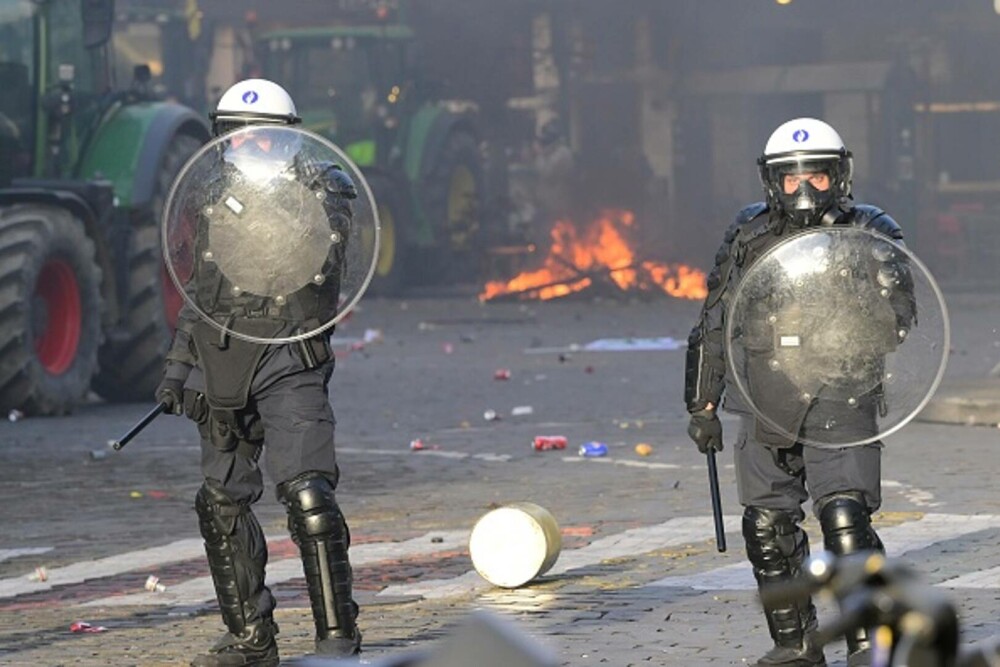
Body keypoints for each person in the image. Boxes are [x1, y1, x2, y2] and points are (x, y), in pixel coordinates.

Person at [684, 118, 914, 667]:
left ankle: (867, 644)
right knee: (766, 527)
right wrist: (702, 401)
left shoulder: (869, 228)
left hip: (841, 394)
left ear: (840, 175)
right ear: (772, 182)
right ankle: (796, 645)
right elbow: (716, 319)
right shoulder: (749, 234)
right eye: (791, 179)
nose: (804, 188)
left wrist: (856, 279)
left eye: (817, 175)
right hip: (765, 397)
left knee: (844, 522)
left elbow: (899, 319)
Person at [156, 78, 362, 667]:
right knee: (219, 503)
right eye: (237, 135)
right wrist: (178, 371)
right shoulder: (210, 195)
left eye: (264, 137)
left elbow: (318, 273)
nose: (252, 147)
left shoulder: (324, 190)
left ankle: (336, 639)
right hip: (223, 358)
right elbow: (199, 292)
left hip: (288, 356)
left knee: (310, 496)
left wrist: (279, 208)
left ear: (288, 139)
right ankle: (250, 639)